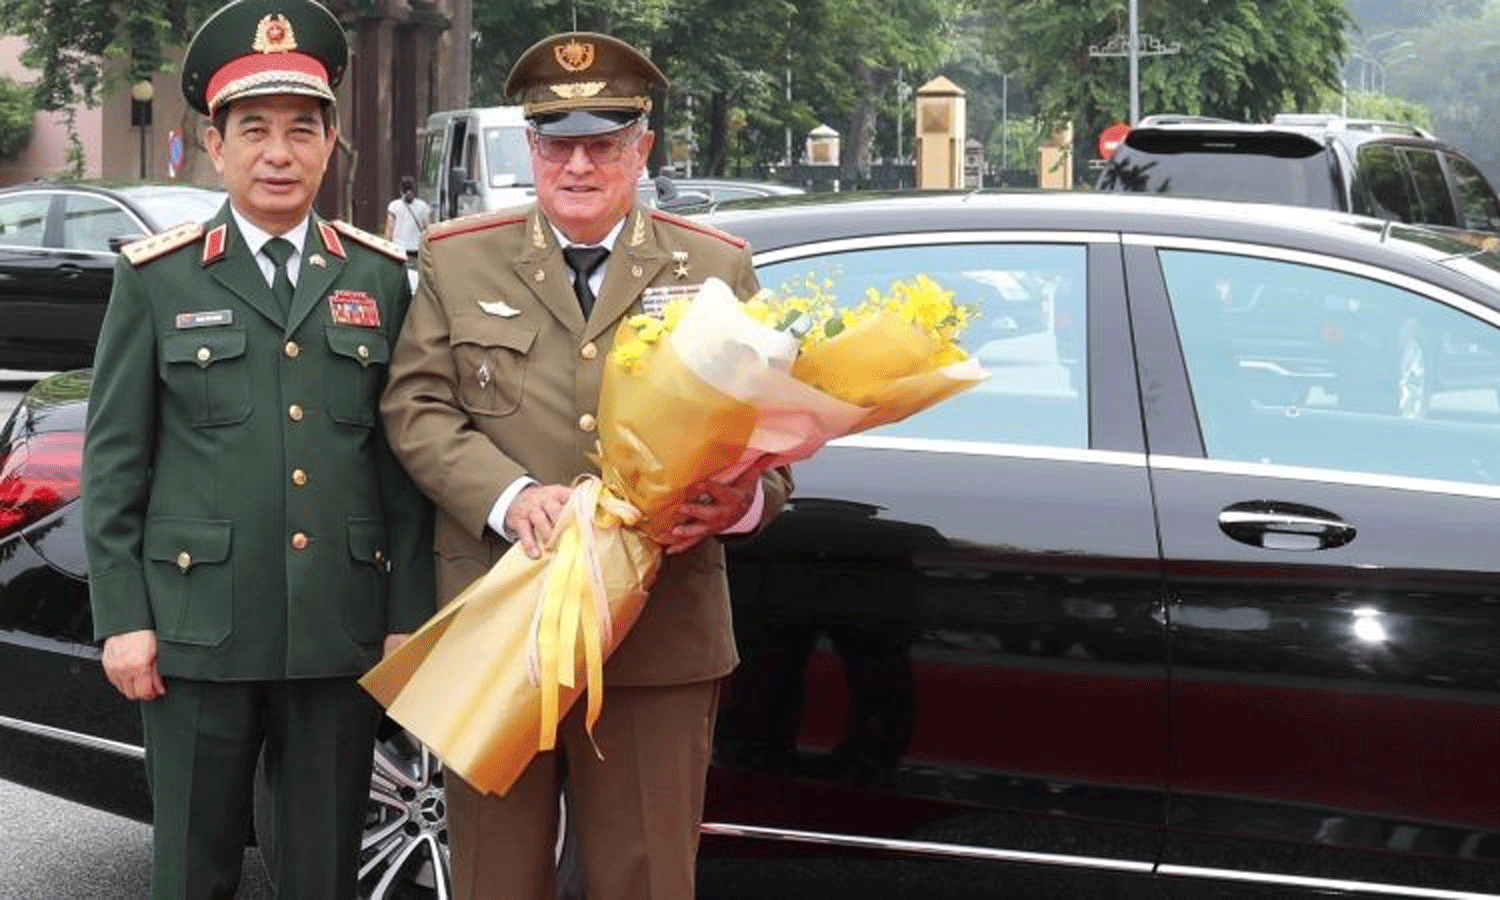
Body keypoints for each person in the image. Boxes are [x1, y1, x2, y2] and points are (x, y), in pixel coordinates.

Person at [380, 30, 792, 900]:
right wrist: (509, 494)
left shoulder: (715, 268)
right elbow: (413, 408)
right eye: (557, 144)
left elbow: (774, 444)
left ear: (641, 149)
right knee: (495, 877)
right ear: (530, 149)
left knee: (644, 877)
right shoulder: (459, 258)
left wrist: (738, 503)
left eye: (602, 143)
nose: (578, 166)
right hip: (501, 620)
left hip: (657, 636)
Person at [81, 1, 434, 897]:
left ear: (328, 144)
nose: (279, 152)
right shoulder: (156, 278)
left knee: (322, 872)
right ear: (216, 145)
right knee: (192, 869)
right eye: (256, 131)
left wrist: (407, 614)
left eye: (301, 131)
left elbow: (402, 464)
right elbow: (116, 463)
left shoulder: (380, 278)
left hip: (339, 633)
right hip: (198, 631)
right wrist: (124, 618)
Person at [384, 174, 431, 257]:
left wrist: (385, 246)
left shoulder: (394, 206)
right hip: (417, 249)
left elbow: (389, 229)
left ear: (401, 190)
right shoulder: (423, 206)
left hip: (398, 248)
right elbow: (428, 228)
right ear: (414, 190)